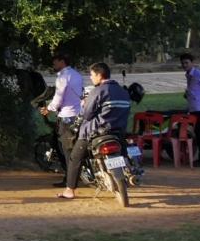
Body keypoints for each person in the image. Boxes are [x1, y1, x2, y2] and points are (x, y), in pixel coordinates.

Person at [58, 62, 131, 200]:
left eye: (92, 75)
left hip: (94, 132)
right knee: (124, 154)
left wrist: (84, 104)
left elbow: (87, 115)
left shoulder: (98, 91)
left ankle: (69, 190)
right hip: (118, 132)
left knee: (75, 158)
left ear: (99, 75)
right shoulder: (123, 92)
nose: (91, 78)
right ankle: (127, 174)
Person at [39, 53, 83, 187]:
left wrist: (48, 108)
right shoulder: (76, 75)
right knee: (76, 147)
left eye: (55, 62)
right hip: (78, 115)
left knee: (66, 150)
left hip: (66, 117)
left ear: (62, 62)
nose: (53, 64)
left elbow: (58, 98)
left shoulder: (63, 77)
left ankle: (70, 181)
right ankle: (75, 176)